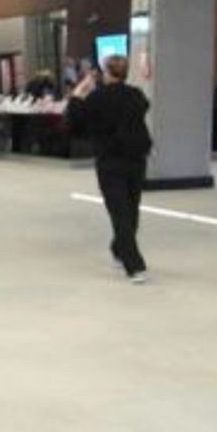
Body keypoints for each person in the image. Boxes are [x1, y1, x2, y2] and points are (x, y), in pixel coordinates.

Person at [66, 56, 152, 283]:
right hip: (136, 159)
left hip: (110, 161)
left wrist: (79, 90)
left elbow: (76, 117)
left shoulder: (97, 98)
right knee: (130, 210)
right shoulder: (135, 95)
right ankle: (123, 252)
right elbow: (145, 105)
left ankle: (132, 264)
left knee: (120, 212)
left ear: (106, 73)